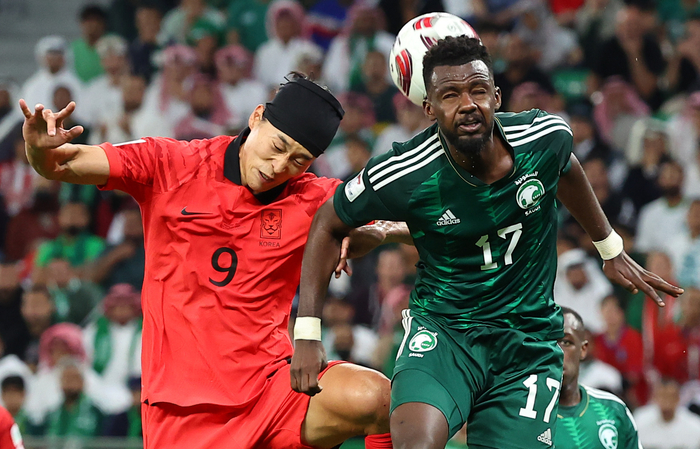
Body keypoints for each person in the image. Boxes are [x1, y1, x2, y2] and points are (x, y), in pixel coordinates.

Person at [292, 36, 682, 448]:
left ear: (496, 97)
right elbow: (326, 222)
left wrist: (609, 247)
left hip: (526, 340)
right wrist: (308, 333)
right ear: (429, 108)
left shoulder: (544, 136)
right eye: (450, 95)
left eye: (477, 90)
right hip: (446, 333)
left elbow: (565, 166)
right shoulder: (405, 171)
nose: (467, 104)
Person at [19, 73, 397, 448]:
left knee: (380, 399)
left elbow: (406, 219)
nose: (279, 166)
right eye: (277, 146)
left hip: (274, 391)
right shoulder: (170, 164)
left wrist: (376, 231)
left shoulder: (314, 199)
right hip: (181, 410)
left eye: (299, 160)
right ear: (256, 117)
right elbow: (62, 163)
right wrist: (38, 150)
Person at [555, 306, 641, 449]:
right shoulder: (520, 412)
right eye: (548, 342)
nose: (557, 351)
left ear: (583, 349)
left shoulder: (614, 410)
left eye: (566, 342)